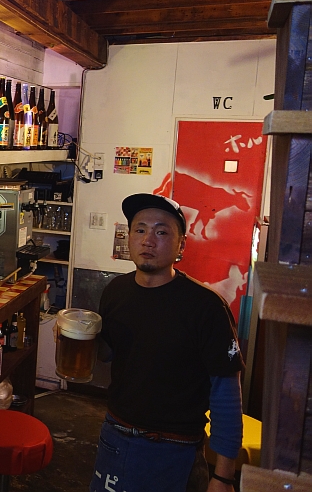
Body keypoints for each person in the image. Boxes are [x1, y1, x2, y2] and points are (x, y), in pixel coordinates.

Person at [90, 193, 244, 492]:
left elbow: (226, 396)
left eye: (161, 232)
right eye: (140, 229)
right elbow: (108, 353)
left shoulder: (207, 307)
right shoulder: (116, 290)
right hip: (115, 435)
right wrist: (80, 339)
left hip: (175, 448)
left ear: (181, 245)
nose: (148, 240)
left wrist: (224, 477)